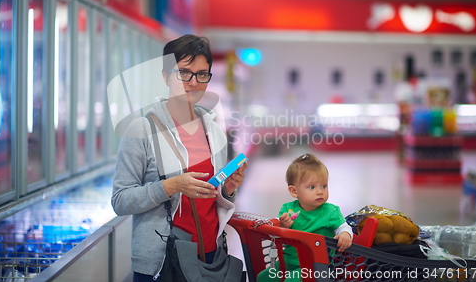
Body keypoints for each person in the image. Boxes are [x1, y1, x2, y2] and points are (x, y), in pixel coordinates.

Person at [111, 34, 247, 282]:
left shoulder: (213, 131)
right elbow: (120, 200)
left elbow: (210, 196)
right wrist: (171, 186)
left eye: (202, 74)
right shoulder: (143, 129)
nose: (193, 82)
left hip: (210, 255)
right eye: (184, 73)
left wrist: (227, 189)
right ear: (165, 76)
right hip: (163, 260)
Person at [257, 153, 352, 282]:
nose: (320, 191)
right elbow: (275, 231)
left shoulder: (330, 211)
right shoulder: (287, 210)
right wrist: (283, 225)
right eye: (312, 187)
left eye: (324, 186)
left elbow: (343, 226)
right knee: (263, 277)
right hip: (288, 261)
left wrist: (345, 234)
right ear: (294, 191)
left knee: (292, 280)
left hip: (317, 265)